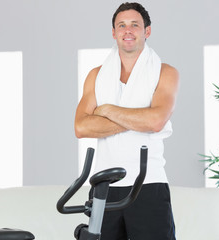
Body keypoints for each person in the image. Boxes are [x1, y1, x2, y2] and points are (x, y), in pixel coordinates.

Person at [74, 2, 179, 240]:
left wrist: (107, 110)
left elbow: (156, 122)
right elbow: (81, 127)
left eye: (135, 24)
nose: (127, 30)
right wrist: (140, 116)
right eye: (121, 25)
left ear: (147, 31)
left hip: (149, 183)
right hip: (104, 186)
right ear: (113, 32)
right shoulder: (96, 76)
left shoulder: (166, 73)